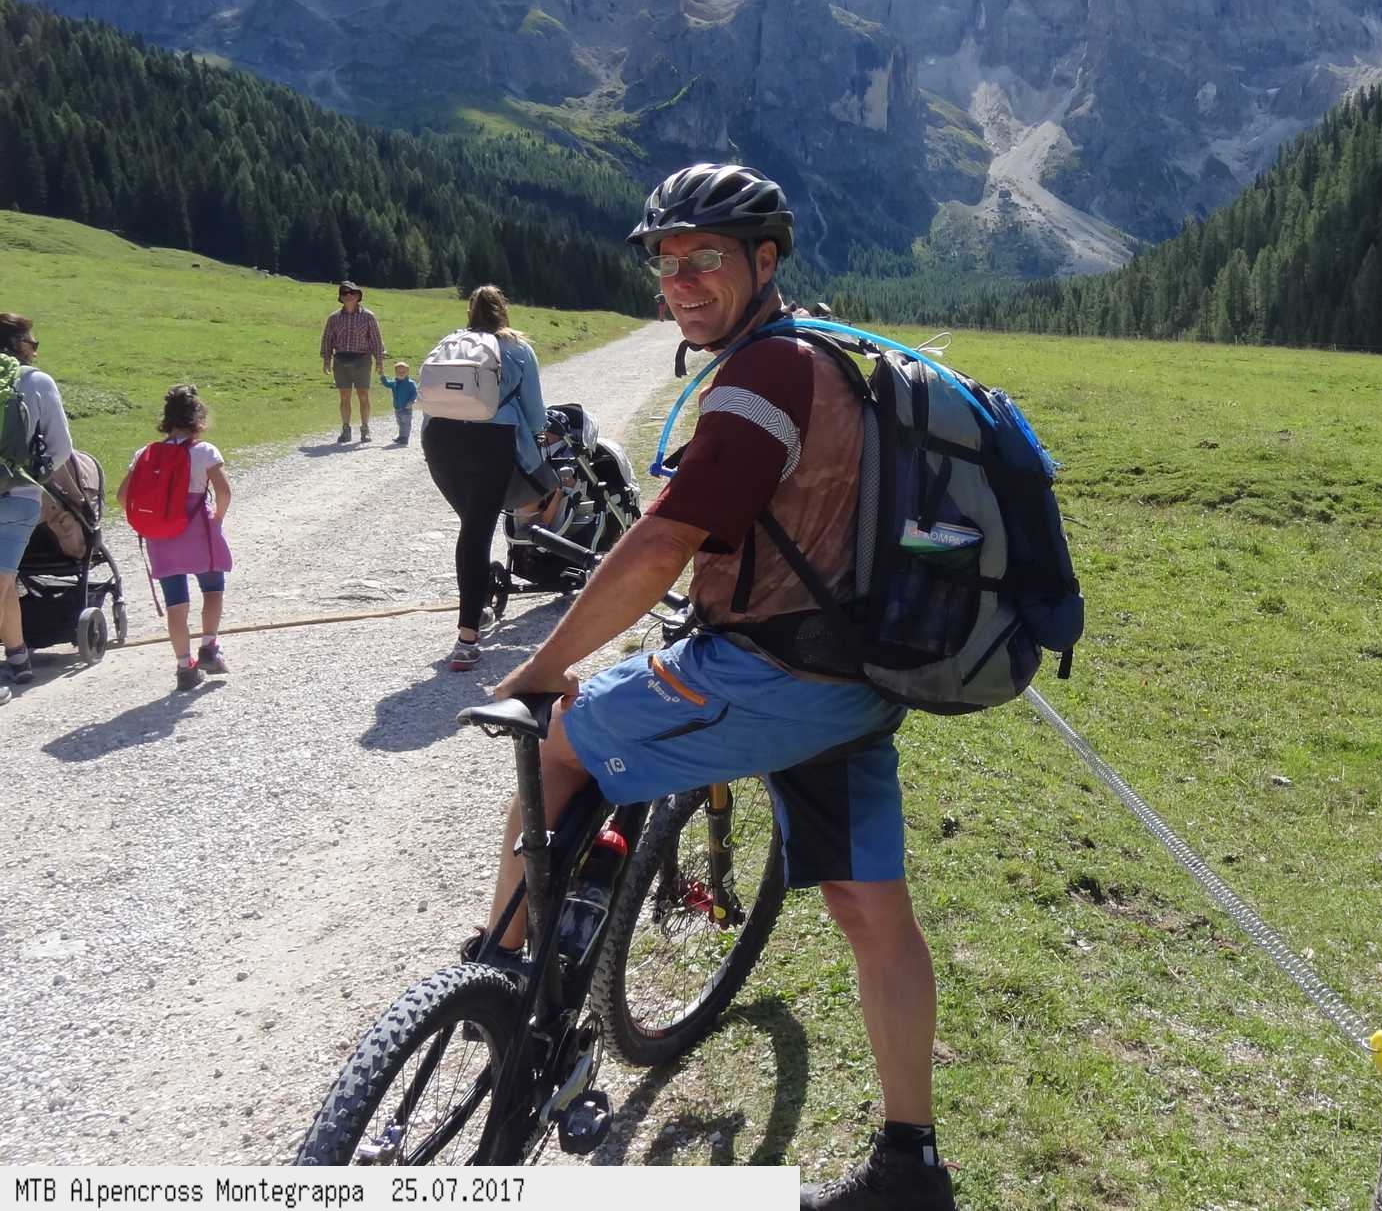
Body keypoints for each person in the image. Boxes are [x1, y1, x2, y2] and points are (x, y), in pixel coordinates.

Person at [477, 164, 955, 1211]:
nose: (680, 281)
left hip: (768, 674)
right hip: (854, 678)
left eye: (704, 258)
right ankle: (911, 1164)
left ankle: (494, 989)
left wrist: (540, 670)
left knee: (555, 739)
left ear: (764, 260)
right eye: (665, 262)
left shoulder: (763, 377)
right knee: (872, 909)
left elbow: (663, 543)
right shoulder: (828, 356)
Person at [420, 285, 555, 671]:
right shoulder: (517, 348)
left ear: (470, 311)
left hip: (439, 440)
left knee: (472, 527)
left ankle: (477, 604)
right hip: (489, 442)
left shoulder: (451, 342)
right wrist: (540, 438)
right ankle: (467, 639)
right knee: (477, 533)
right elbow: (535, 415)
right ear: (503, 310)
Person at [115, 384, 233, 693]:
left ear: (166, 419)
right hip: (199, 533)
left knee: (176, 605)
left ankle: (184, 667)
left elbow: (123, 496)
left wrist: (149, 519)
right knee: (213, 590)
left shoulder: (145, 454)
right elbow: (223, 491)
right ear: (198, 419)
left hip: (161, 536)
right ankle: (209, 647)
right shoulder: (205, 452)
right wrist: (217, 518)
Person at [0, 313, 75, 705]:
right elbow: (62, 448)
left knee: (4, 580)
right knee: (3, 577)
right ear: (18, 345)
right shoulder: (37, 382)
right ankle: (17, 659)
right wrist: (34, 476)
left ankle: (17, 656)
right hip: (19, 497)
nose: (35, 349)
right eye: (32, 342)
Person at [320, 281, 386, 444]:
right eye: (344, 293)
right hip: (341, 359)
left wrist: (379, 360)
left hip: (362, 359)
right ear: (341, 297)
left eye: (352, 293)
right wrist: (327, 360)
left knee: (363, 394)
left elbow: (376, 339)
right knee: (344, 396)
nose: (348, 296)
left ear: (358, 296)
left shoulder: (368, 316)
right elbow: (328, 339)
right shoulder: (334, 318)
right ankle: (345, 429)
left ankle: (365, 429)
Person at [379, 361, 418, 445]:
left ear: (407, 372)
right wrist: (382, 375)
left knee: (406, 423)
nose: (401, 374)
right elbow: (386, 383)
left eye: (403, 372)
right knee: (400, 423)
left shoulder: (410, 383)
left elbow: (415, 393)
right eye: (398, 372)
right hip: (397, 408)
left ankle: (405, 438)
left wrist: (411, 401)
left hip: (406, 408)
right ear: (395, 373)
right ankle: (401, 436)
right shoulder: (395, 383)